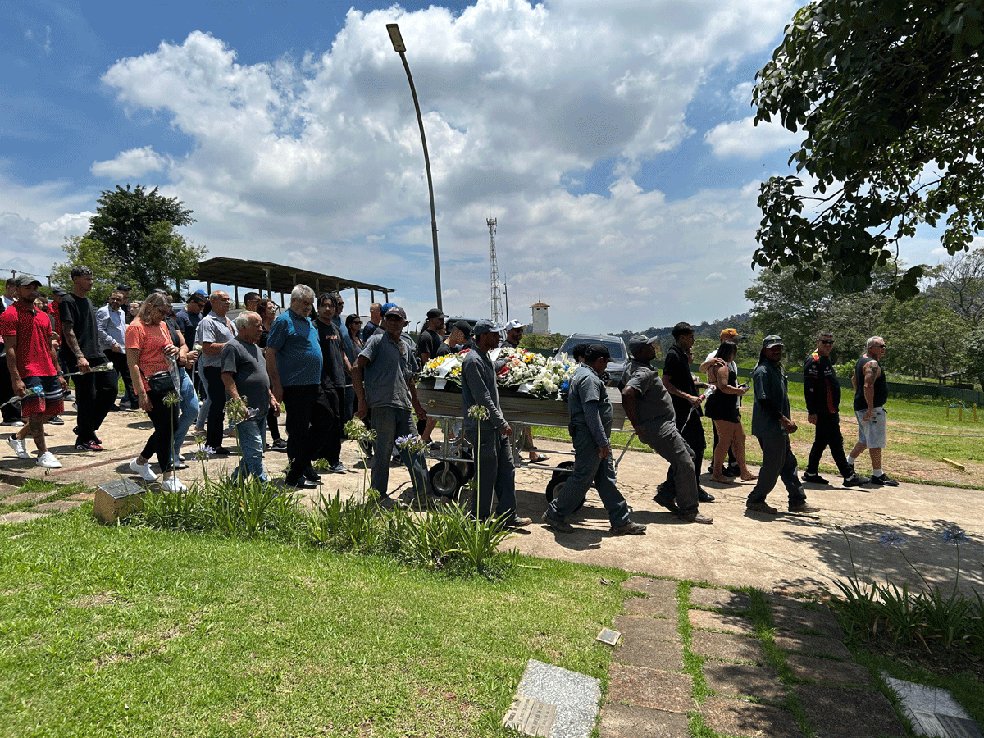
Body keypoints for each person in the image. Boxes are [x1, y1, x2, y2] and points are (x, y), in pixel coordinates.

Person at [542, 344, 647, 535]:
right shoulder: (589, 379)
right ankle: (554, 513)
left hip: (594, 437)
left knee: (605, 479)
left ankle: (620, 521)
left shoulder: (582, 373)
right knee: (582, 477)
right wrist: (602, 442)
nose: (606, 366)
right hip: (591, 438)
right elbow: (591, 413)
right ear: (600, 361)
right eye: (606, 362)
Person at [621, 335, 711, 524]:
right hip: (658, 427)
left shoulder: (637, 367)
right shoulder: (642, 373)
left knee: (690, 456)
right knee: (685, 463)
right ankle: (689, 510)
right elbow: (628, 392)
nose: (653, 348)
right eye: (649, 346)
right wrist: (636, 424)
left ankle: (666, 494)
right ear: (639, 352)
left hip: (663, 424)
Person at [352, 305, 433, 507]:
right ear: (383, 321)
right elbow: (356, 367)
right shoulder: (377, 341)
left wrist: (417, 405)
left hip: (403, 406)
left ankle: (422, 496)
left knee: (414, 449)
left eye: (397, 319)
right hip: (382, 405)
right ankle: (378, 498)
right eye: (389, 319)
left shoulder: (405, 346)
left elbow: (409, 379)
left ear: (405, 324)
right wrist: (362, 400)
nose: (392, 322)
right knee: (383, 452)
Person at [460, 320, 531, 527]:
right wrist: (501, 422)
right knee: (486, 475)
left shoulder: (483, 358)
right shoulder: (472, 361)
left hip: (495, 427)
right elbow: (482, 397)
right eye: (494, 334)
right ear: (482, 336)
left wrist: (506, 362)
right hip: (484, 427)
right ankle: (478, 519)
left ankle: (507, 515)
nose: (499, 337)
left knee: (507, 470)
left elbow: (491, 376)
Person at [746, 336, 819, 515]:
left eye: (779, 347)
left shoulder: (777, 368)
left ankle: (797, 501)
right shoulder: (763, 371)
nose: (776, 351)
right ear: (764, 350)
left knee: (788, 463)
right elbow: (764, 400)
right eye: (772, 348)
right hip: (770, 427)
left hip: (779, 427)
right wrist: (783, 420)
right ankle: (756, 499)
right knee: (773, 465)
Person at [2, 275, 66, 468]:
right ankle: (42, 453)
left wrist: (59, 372)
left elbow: (50, 346)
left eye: (34, 288)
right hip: (28, 371)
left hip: (48, 369)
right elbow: (10, 349)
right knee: (36, 412)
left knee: (53, 410)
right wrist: (16, 378)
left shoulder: (44, 316)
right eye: (27, 288)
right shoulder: (9, 315)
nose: (32, 291)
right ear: (17, 290)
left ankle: (17, 437)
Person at [125, 293, 185, 491]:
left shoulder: (163, 326)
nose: (164, 316)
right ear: (149, 306)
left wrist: (174, 351)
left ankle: (141, 461)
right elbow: (132, 363)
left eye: (167, 313)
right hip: (149, 384)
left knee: (171, 425)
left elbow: (170, 347)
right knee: (166, 428)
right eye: (161, 311)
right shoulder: (136, 328)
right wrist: (141, 393)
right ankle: (168, 476)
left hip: (167, 381)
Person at [266, 285, 324, 490]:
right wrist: (276, 384)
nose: (309, 308)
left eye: (311, 304)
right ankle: (295, 474)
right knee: (298, 431)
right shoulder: (283, 321)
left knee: (327, 420)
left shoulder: (309, 322)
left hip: (314, 383)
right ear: (294, 301)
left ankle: (303, 463)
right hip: (295, 385)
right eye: (305, 303)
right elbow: (270, 352)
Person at [60, 265, 117, 451]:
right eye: (87, 279)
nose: (91, 282)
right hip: (80, 357)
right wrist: (79, 355)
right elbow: (68, 330)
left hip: (97, 353)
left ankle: (87, 428)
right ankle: (84, 439)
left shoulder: (89, 301)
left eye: (92, 279)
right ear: (76, 279)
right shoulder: (68, 301)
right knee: (87, 397)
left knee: (110, 389)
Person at [804, 332, 869, 487]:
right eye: (824, 342)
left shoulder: (826, 359)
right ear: (818, 342)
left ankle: (811, 472)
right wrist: (811, 411)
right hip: (823, 410)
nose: (828, 345)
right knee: (836, 442)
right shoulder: (814, 360)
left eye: (830, 342)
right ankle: (848, 475)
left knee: (821, 442)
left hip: (831, 409)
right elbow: (809, 388)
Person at [222, 311, 279, 483]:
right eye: (257, 325)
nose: (261, 329)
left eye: (261, 325)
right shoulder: (232, 347)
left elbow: (260, 377)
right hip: (245, 411)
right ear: (244, 327)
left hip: (260, 409)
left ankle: (234, 484)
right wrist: (238, 402)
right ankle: (263, 486)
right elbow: (226, 376)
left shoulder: (255, 348)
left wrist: (271, 398)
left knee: (255, 451)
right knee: (254, 451)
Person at [661, 322, 714, 503]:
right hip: (682, 411)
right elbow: (666, 383)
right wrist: (687, 397)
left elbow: (682, 380)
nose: (693, 340)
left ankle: (686, 485)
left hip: (690, 410)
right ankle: (673, 488)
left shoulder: (682, 356)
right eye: (691, 336)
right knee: (690, 448)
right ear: (682, 337)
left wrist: (698, 387)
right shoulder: (673, 355)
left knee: (695, 448)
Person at [848, 336, 899, 486]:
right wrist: (870, 407)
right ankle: (878, 474)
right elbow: (868, 386)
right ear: (871, 348)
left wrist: (858, 396)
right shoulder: (872, 363)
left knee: (864, 440)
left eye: (884, 346)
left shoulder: (861, 360)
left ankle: (848, 463)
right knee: (875, 442)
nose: (883, 348)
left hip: (861, 406)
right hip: (871, 409)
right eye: (880, 346)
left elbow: (853, 379)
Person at [496, 319, 548, 464]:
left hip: (518, 391)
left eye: (521, 330)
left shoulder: (515, 347)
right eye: (517, 330)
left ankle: (531, 452)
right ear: (509, 331)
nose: (520, 333)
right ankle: (516, 452)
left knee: (524, 422)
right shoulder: (506, 348)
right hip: (510, 393)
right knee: (514, 424)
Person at [703, 342, 756, 483]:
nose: (736, 355)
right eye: (735, 352)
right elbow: (723, 387)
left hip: (727, 406)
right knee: (724, 440)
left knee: (740, 436)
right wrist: (739, 391)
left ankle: (744, 471)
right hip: (722, 407)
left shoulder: (717, 364)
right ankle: (717, 473)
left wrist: (737, 388)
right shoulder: (721, 367)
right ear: (729, 352)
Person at [314, 292, 350, 473]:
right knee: (326, 420)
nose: (328, 309)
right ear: (318, 307)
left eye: (331, 306)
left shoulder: (336, 330)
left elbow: (342, 354)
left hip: (339, 382)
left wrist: (351, 370)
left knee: (337, 422)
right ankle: (323, 457)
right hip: (322, 382)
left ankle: (332, 459)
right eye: (324, 305)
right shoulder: (313, 328)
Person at [197, 290, 237, 455]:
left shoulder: (229, 321)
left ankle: (216, 442)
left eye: (229, 300)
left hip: (228, 368)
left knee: (225, 405)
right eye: (224, 300)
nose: (228, 302)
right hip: (214, 369)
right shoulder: (208, 322)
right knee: (216, 406)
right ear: (213, 302)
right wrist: (231, 347)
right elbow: (207, 348)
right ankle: (212, 444)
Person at [699, 328, 741, 477]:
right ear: (724, 340)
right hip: (720, 401)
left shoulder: (731, 358)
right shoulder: (715, 356)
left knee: (732, 434)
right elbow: (703, 369)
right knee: (722, 435)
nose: (737, 341)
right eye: (733, 339)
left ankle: (732, 463)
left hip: (731, 400)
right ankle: (716, 466)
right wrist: (710, 362)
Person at [96, 291, 138, 410]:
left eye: (118, 300)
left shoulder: (122, 312)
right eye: (113, 299)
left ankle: (135, 402)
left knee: (128, 375)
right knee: (111, 378)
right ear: (109, 299)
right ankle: (108, 403)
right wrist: (112, 342)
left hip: (121, 349)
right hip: (109, 349)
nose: (115, 302)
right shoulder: (103, 311)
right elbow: (99, 329)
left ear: (123, 301)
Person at [256, 298, 286, 450]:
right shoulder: (258, 327)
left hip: (280, 368)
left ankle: (284, 434)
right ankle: (275, 437)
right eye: (270, 308)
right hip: (264, 368)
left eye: (274, 307)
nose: (273, 310)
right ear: (262, 311)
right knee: (270, 403)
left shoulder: (278, 326)